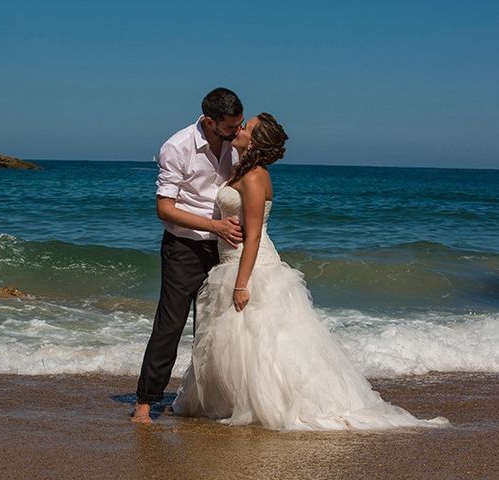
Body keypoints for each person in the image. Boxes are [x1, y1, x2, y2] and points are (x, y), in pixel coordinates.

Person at [172, 113, 449, 430]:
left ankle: (270, 403)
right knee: (239, 342)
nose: (240, 128)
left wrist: (241, 283)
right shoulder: (241, 170)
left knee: (262, 342)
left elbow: (254, 236)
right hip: (231, 262)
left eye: (246, 127)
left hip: (251, 265)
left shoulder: (253, 177)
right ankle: (236, 400)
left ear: (256, 142)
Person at [131, 88, 245, 424]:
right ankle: (144, 403)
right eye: (231, 126)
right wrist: (214, 225)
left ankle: (211, 400)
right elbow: (164, 209)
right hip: (184, 247)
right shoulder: (177, 147)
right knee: (170, 324)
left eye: (240, 124)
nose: (237, 131)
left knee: (216, 328)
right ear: (210, 121)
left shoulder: (235, 146)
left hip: (224, 248)